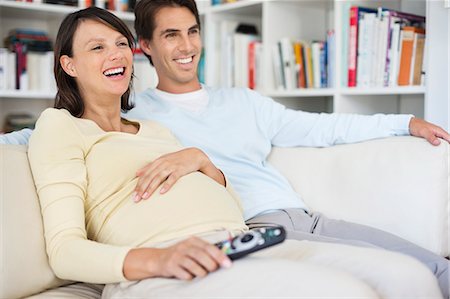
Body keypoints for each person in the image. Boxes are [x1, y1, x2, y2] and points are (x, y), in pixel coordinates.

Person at [26, 6, 443, 299]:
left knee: (411, 277)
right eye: (97, 48)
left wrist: (204, 161)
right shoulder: (60, 126)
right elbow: (64, 250)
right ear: (69, 65)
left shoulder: (153, 127)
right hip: (176, 259)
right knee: (345, 292)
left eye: (119, 43)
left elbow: (235, 194)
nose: (115, 54)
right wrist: (155, 259)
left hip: (243, 238)